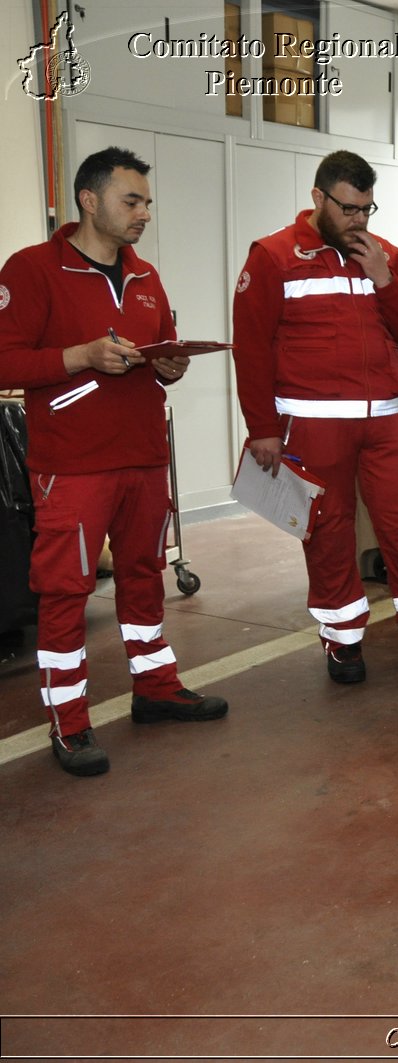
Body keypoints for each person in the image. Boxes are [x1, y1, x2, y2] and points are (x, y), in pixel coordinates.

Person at [0, 146, 228, 777]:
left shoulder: (147, 276)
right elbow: (6, 359)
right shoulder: (31, 270)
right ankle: (68, 722)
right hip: (72, 467)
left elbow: (156, 359)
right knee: (65, 593)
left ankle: (156, 690)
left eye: (147, 202)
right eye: (133, 201)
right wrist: (79, 355)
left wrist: (170, 365)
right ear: (89, 200)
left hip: (144, 459)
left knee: (141, 577)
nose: (144, 213)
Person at [231, 150, 398, 684]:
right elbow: (250, 351)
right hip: (313, 425)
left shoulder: (383, 255)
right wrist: (263, 431)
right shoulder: (273, 256)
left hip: (385, 420)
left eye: (368, 208)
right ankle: (343, 641)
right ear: (318, 199)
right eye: (348, 208)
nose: (360, 220)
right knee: (328, 531)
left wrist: (384, 277)